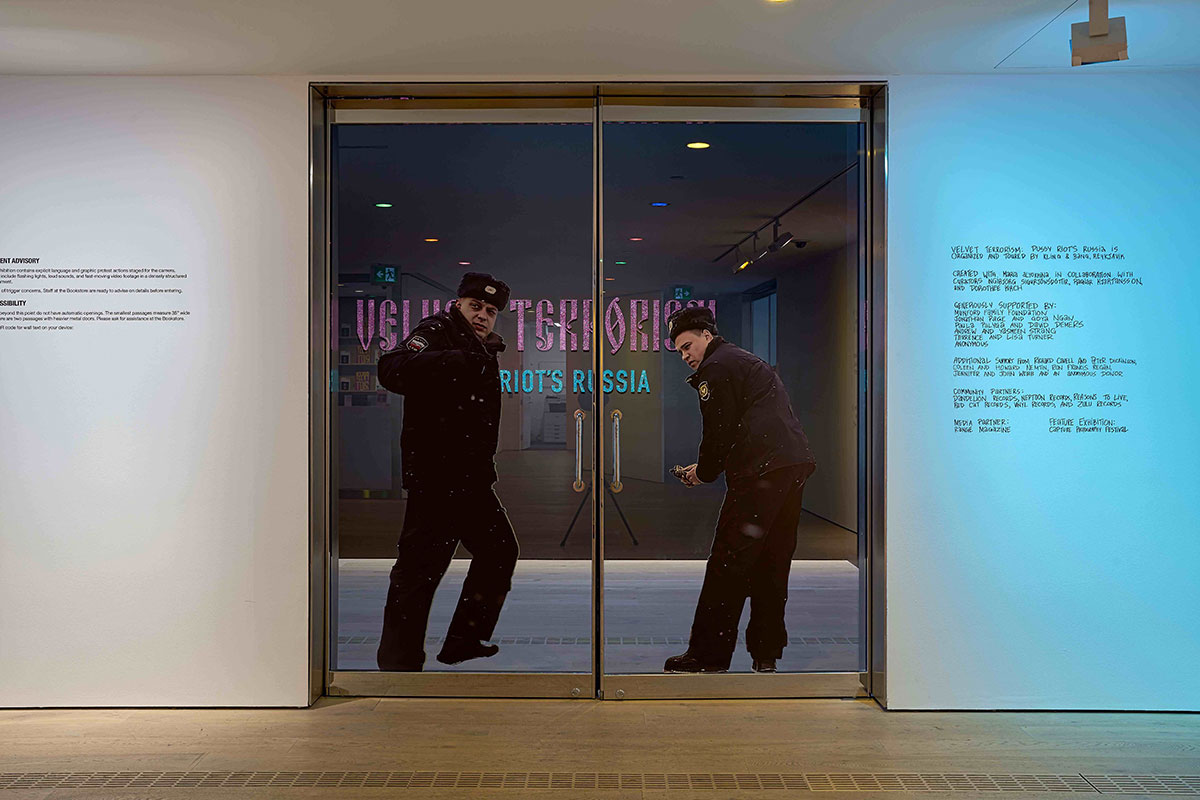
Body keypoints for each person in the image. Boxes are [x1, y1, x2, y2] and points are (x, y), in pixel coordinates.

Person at [375, 272, 518, 671]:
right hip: (437, 480)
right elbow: (391, 368)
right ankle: (398, 664)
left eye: (490, 311)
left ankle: (463, 639)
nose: (482, 316)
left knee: (498, 551)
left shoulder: (483, 348)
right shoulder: (437, 330)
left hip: (469, 479)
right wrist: (456, 360)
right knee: (419, 571)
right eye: (475, 307)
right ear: (458, 304)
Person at [664, 306, 817, 674]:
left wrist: (703, 472)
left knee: (727, 564)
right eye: (680, 352)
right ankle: (766, 653)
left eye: (688, 346)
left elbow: (718, 431)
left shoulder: (716, 369)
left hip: (760, 474)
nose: (686, 356)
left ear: (706, 335)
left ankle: (708, 655)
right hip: (790, 468)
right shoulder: (745, 360)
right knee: (772, 561)